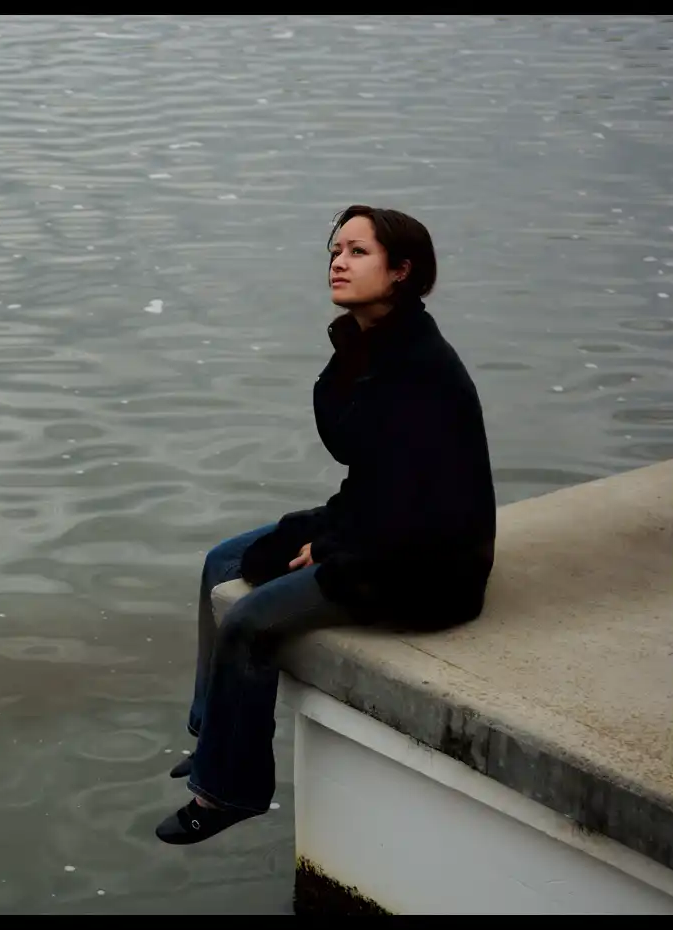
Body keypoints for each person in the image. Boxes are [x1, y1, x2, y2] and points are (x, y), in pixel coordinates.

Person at [156, 205, 497, 845]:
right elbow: (366, 462)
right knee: (221, 562)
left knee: (250, 624)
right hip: (377, 520)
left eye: (358, 252)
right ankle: (214, 740)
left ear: (402, 271)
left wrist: (334, 546)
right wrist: (332, 533)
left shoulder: (420, 367)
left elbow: (422, 501)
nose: (338, 262)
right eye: (336, 250)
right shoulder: (369, 346)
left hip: (425, 562)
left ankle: (227, 792)